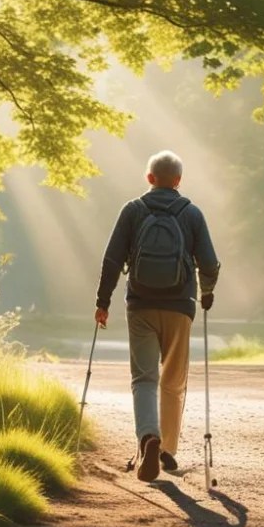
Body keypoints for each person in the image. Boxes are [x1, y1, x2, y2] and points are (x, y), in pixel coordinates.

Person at [94, 150, 220, 482]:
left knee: (144, 379)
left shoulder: (133, 210)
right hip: (180, 307)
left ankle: (148, 437)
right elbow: (208, 262)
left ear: (149, 178)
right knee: (173, 380)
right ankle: (166, 450)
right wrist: (206, 291)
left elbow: (111, 259)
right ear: (179, 180)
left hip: (140, 305)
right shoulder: (191, 213)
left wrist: (102, 301)